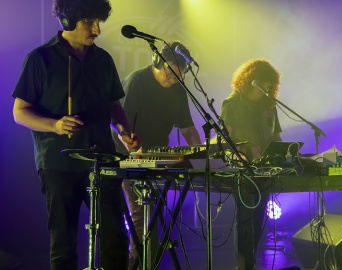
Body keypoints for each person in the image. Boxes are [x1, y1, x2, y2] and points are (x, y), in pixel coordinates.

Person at [12, 0, 140, 269]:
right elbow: (20, 112)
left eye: (99, 22)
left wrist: (124, 131)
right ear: (68, 21)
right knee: (63, 243)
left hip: (102, 160)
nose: (97, 30)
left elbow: (113, 104)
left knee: (115, 238)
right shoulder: (40, 59)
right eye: (89, 23)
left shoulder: (103, 59)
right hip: (59, 164)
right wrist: (55, 125)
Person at [112, 41, 201, 269]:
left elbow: (188, 129)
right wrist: (133, 146)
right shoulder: (137, 82)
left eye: (178, 77)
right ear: (157, 62)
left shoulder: (178, 89)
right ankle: (136, 265)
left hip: (158, 156)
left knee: (156, 214)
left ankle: (144, 263)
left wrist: (202, 157)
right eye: (170, 75)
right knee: (140, 213)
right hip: (129, 154)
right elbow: (119, 122)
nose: (173, 81)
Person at [220, 59, 282, 270]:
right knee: (245, 220)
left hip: (265, 171)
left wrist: (286, 154)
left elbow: (276, 138)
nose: (265, 88)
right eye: (262, 83)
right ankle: (243, 266)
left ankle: (251, 264)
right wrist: (242, 152)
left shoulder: (269, 105)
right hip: (243, 171)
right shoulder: (232, 103)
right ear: (249, 81)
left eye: (269, 85)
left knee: (258, 219)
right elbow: (223, 141)